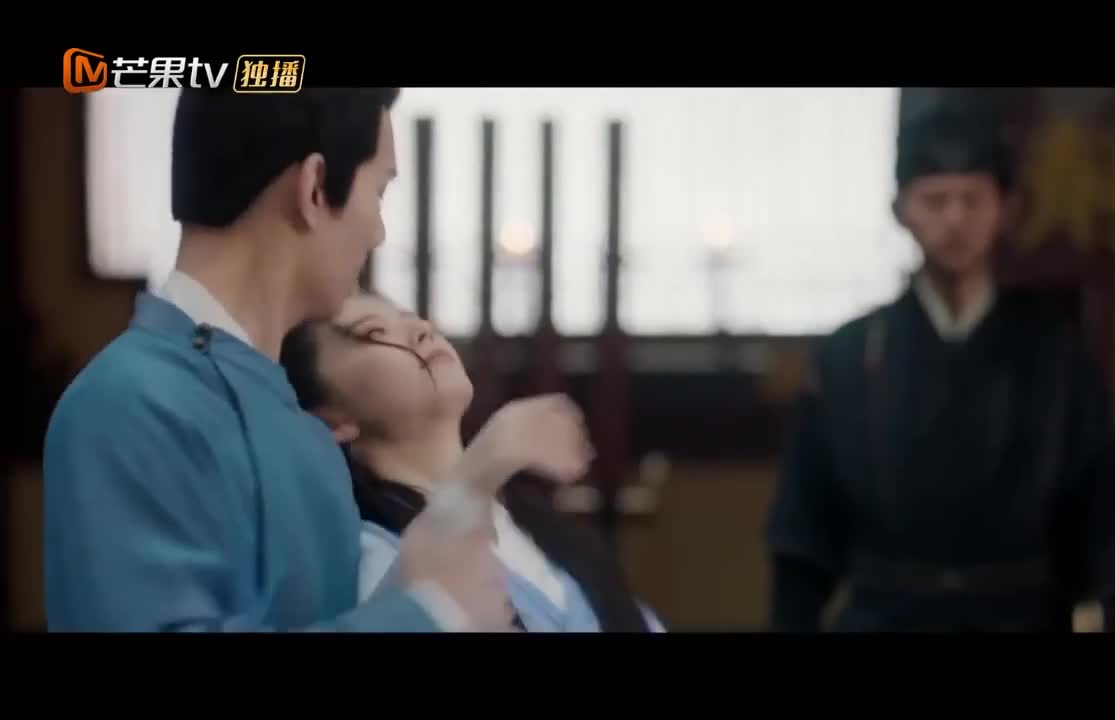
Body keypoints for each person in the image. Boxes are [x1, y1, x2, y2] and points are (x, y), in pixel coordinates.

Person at [43, 88, 590, 632]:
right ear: (314, 187)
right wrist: (428, 612)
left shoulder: (302, 431)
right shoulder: (127, 401)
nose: (378, 231)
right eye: (379, 191)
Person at [764, 100, 1115, 632]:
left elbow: (1108, 527)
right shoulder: (847, 358)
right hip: (885, 617)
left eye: (972, 199)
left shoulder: (1057, 356)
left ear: (1006, 208)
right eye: (935, 200)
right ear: (901, 210)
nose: (955, 219)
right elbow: (802, 540)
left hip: (1024, 617)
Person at [279, 292, 664, 632]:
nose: (420, 329)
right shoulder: (369, 557)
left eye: (412, 318)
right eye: (374, 332)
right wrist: (484, 465)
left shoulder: (532, 519)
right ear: (331, 420)